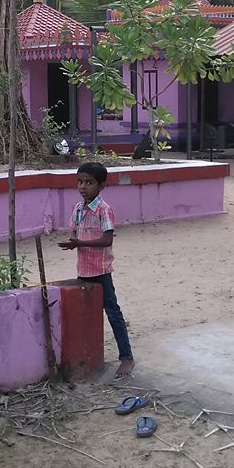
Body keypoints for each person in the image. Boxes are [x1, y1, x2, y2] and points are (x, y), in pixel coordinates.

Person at [59, 161, 134, 379]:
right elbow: (74, 233)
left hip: (100, 271)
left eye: (89, 183)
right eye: (80, 182)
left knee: (113, 313)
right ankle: (87, 357)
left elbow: (107, 239)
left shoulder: (103, 210)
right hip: (83, 270)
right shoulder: (78, 208)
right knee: (86, 314)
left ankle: (126, 357)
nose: (83, 186)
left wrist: (79, 244)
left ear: (101, 186)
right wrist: (73, 242)